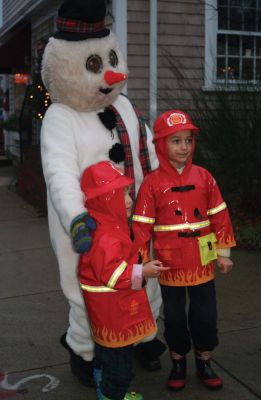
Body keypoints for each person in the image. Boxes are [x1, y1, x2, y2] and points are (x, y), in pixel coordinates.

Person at [40, 0, 165, 386]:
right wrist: (77, 219)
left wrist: (160, 193)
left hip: (135, 222)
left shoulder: (124, 106)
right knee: (88, 291)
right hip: (90, 229)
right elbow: (59, 173)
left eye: (111, 57)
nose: (111, 72)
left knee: (147, 281)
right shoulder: (61, 118)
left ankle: (143, 338)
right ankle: (84, 348)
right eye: (95, 65)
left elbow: (148, 154)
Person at [132, 110, 236, 391]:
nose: (183, 147)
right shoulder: (152, 184)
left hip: (203, 260)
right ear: (161, 144)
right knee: (175, 317)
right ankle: (178, 360)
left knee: (205, 315)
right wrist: (142, 265)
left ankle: (204, 359)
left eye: (188, 140)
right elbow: (141, 227)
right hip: (169, 264)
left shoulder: (204, 177)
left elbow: (219, 215)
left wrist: (223, 253)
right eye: (175, 141)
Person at [78, 160, 167, 400]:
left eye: (128, 193)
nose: (129, 200)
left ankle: (102, 387)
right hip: (114, 311)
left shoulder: (107, 224)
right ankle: (111, 394)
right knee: (120, 367)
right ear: (103, 200)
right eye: (120, 195)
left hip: (107, 312)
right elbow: (113, 275)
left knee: (106, 355)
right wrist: (143, 271)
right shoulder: (106, 236)